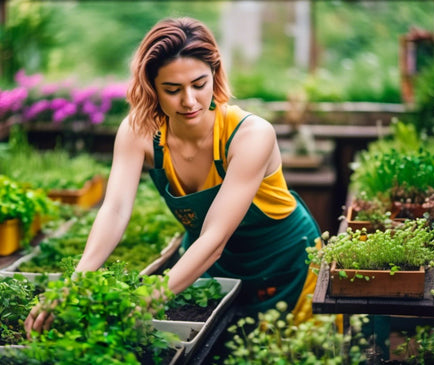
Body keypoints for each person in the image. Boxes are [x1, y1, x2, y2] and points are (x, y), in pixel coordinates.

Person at [25, 16, 321, 336]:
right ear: (152, 87)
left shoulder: (250, 135)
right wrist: (73, 284)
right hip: (208, 268)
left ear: (215, 76)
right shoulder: (139, 132)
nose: (189, 101)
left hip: (284, 265)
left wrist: (150, 297)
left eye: (199, 84)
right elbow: (115, 210)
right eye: (172, 89)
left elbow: (214, 238)